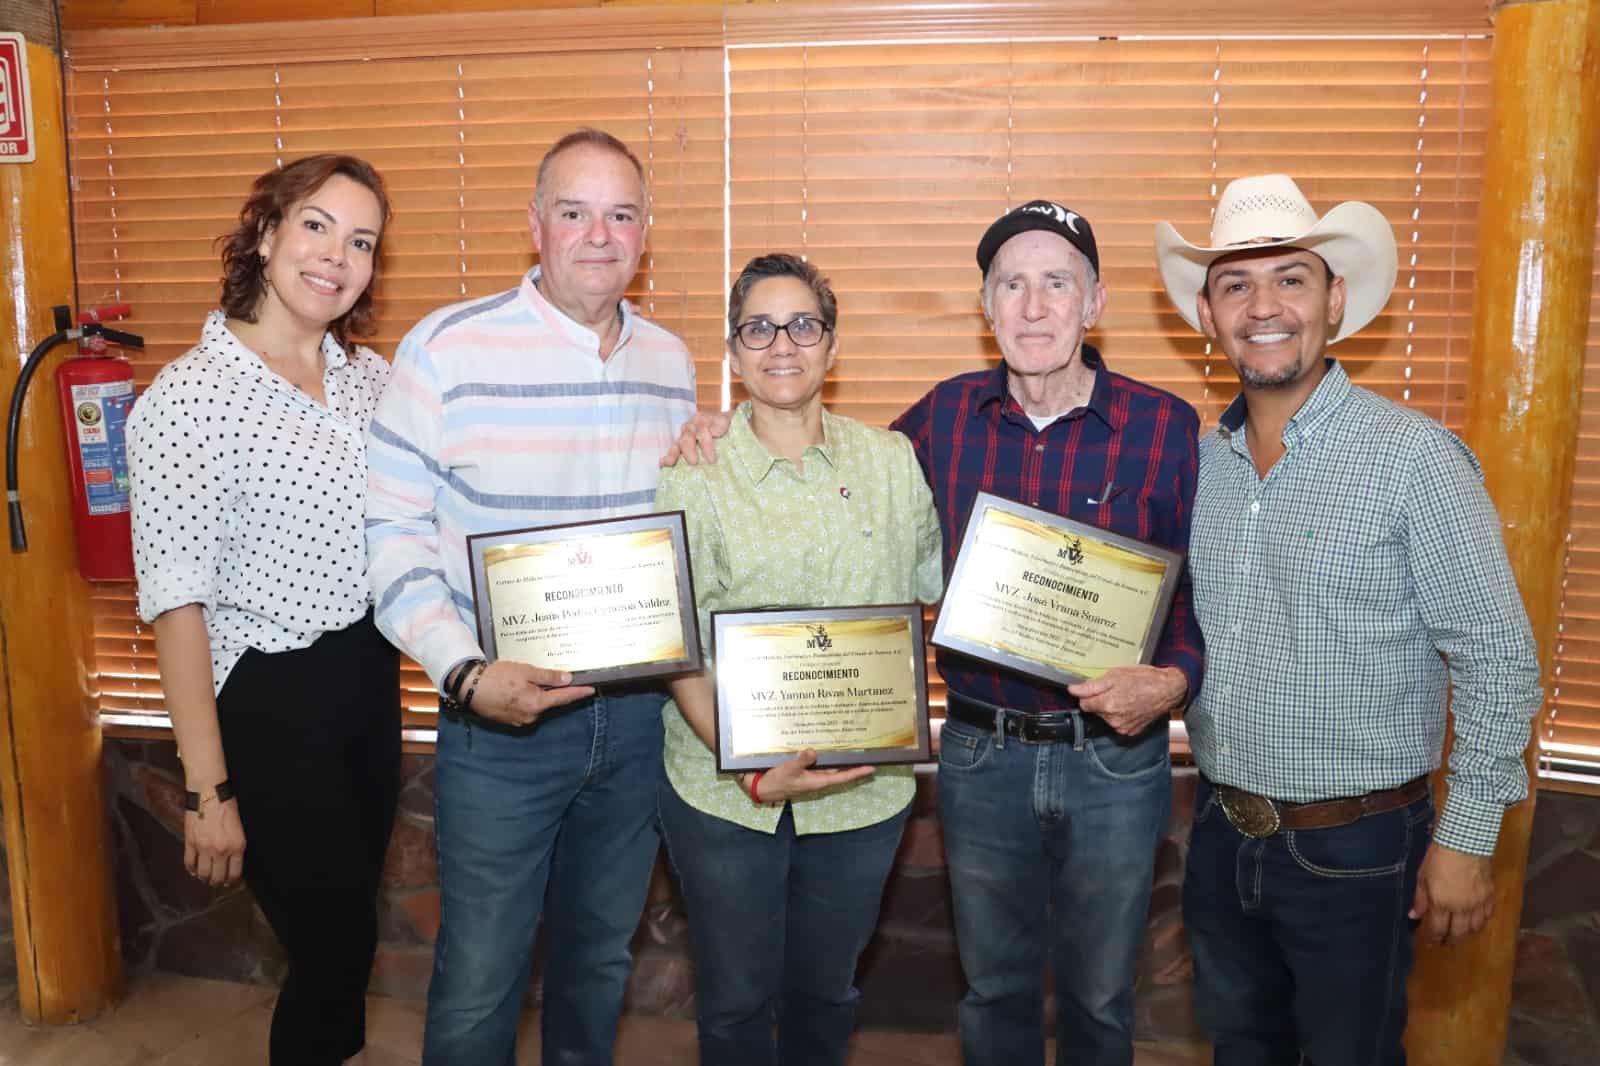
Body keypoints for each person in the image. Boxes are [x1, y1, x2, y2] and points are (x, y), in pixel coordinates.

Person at [666, 201, 1205, 1066]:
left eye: (1055, 284)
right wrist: (716, 422)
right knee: (991, 990)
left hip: (1111, 759)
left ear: (1094, 301)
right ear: (985, 307)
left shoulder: (1167, 427)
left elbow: (1196, 592)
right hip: (982, 758)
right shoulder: (935, 425)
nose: (1033, 307)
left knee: (1104, 998)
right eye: (1011, 286)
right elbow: (794, 453)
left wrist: (1173, 682)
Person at [1154, 173, 1542, 1065]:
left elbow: (1498, 658)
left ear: (1334, 298)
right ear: (1208, 314)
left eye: (1291, 278)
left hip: (1359, 851)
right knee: (1239, 1049)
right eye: (1235, 283)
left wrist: (1466, 841)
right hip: (1221, 834)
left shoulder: (1415, 460)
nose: (1264, 305)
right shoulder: (1196, 467)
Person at [364, 128, 696, 1066]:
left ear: (645, 235)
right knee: (480, 978)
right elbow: (389, 541)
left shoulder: (670, 364)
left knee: (597, 964)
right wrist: (465, 675)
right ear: (535, 224)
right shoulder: (445, 349)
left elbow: (680, 523)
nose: (599, 234)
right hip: (500, 725)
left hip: (636, 723)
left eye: (621, 214)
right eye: (575, 210)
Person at [126, 154, 398, 1066]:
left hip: (367, 677)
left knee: (348, 934)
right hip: (269, 696)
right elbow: (175, 605)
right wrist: (207, 791)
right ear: (267, 232)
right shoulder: (187, 400)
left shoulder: (371, 380)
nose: (337, 256)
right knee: (327, 944)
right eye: (317, 225)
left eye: (361, 240)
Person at [655, 253, 943, 1066]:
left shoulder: (891, 462)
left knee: (828, 991)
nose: (782, 344)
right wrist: (746, 768)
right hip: (724, 792)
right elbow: (675, 648)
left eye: (803, 324)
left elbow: (937, 588)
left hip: (863, 795)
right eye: (759, 327)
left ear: (832, 344)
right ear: (734, 351)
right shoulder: (693, 474)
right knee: (737, 999)